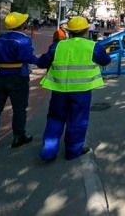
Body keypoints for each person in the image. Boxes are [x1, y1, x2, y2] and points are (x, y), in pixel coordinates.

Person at [36, 16, 111, 161]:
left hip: (59, 90)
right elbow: (105, 61)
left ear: (69, 31)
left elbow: (42, 63)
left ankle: (48, 152)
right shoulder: (93, 46)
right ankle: (73, 151)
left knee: (55, 119)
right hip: (81, 91)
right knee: (77, 120)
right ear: (86, 31)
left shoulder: (57, 46)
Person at [0, 12, 39, 151]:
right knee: (19, 109)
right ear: (23, 25)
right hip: (18, 77)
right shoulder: (23, 40)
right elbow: (26, 57)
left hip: (0, 77)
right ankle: (18, 136)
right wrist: (42, 62)